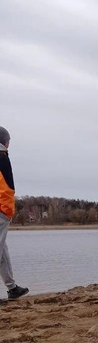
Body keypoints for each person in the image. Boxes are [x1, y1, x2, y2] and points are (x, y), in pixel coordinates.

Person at [0, 126, 29, 301]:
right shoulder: (2, 158)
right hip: (1, 210)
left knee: (3, 250)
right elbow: (5, 189)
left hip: (3, 210)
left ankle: (12, 288)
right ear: (5, 142)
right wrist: (5, 210)